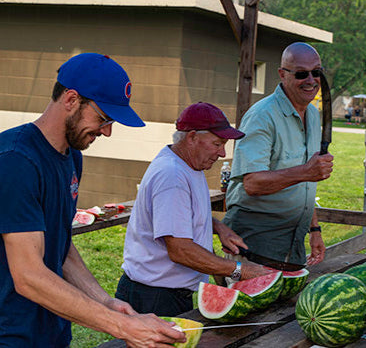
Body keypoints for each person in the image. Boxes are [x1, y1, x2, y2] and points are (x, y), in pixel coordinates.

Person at [0, 53, 186, 348]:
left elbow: (62, 246)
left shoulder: (72, 157)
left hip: (52, 332)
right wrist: (123, 326)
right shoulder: (15, 160)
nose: (108, 131)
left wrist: (106, 302)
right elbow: (28, 275)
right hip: (10, 335)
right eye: (103, 118)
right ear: (71, 100)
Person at [116, 102, 270, 316]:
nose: (222, 152)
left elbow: (180, 217)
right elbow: (180, 249)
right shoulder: (172, 176)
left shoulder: (189, 166)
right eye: (217, 143)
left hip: (165, 293)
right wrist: (239, 271)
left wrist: (217, 227)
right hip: (154, 297)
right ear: (192, 137)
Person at [223, 42, 334, 269]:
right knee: (256, 302)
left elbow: (304, 185)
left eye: (317, 72)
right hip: (256, 238)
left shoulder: (313, 115)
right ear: (282, 74)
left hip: (294, 238)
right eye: (302, 74)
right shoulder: (262, 116)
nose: (311, 80)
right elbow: (252, 183)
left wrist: (314, 229)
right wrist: (306, 171)